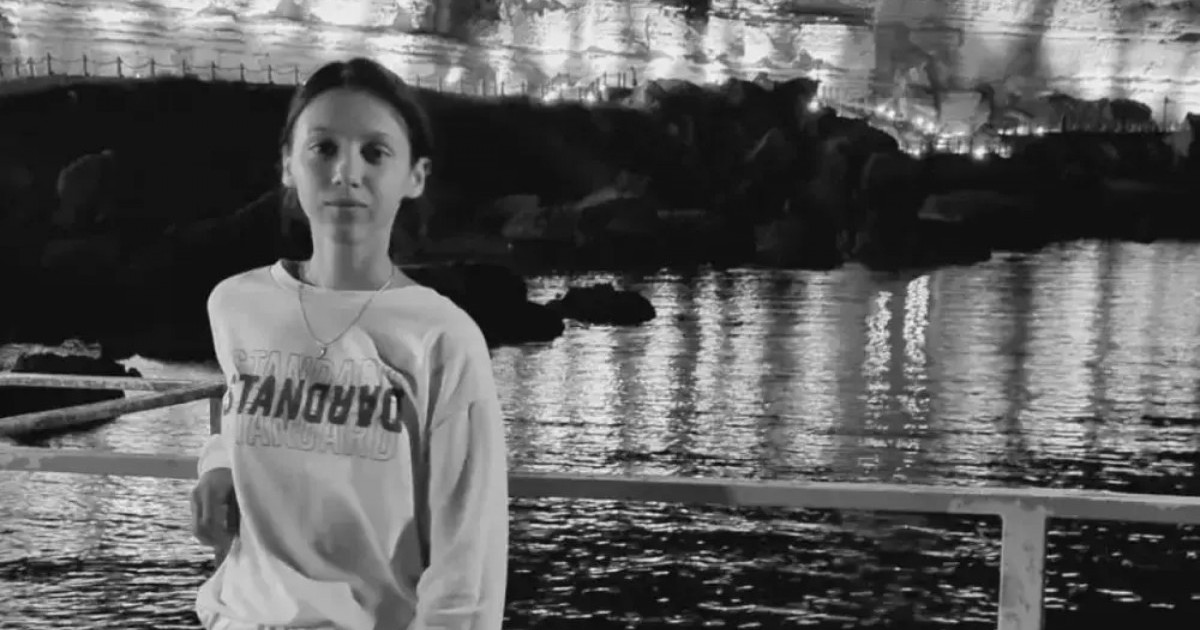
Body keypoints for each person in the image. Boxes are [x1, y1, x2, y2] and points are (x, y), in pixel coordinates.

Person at [189, 57, 509, 630]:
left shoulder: (442, 338)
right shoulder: (236, 305)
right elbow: (257, 409)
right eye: (324, 147)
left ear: (415, 176)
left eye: (375, 152)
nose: (346, 172)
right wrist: (218, 465)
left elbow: (468, 568)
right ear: (288, 164)